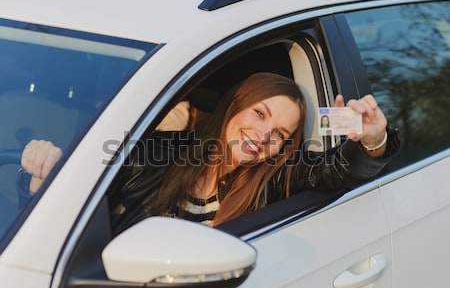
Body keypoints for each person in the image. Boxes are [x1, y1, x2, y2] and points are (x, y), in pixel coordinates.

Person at [20, 72, 400, 235]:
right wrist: (45, 175)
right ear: (235, 105)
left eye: (279, 134)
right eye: (259, 113)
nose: (262, 135)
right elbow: (88, 196)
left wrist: (372, 139)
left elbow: (336, 171)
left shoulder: (277, 177)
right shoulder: (161, 150)